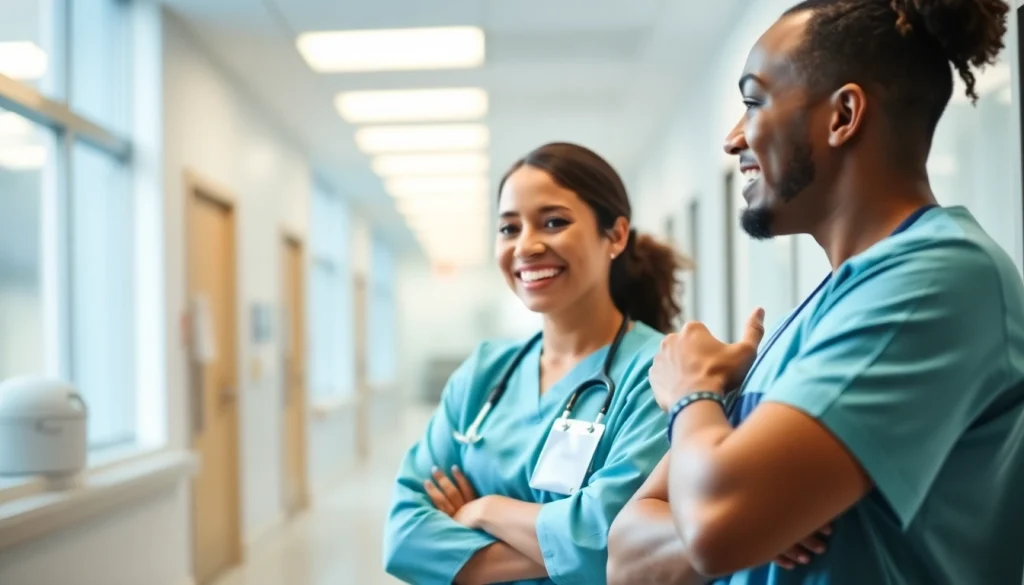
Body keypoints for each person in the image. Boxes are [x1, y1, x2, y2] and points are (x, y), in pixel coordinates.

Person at [607, 1, 1024, 584]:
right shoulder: (827, 309)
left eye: (754, 102)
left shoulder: (938, 278)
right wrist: (749, 507)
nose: (732, 140)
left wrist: (691, 393)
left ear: (843, 115)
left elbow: (715, 525)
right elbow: (626, 556)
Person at [383, 142, 689, 585]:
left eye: (554, 222)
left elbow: (617, 540)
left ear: (617, 236)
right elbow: (403, 536)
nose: (527, 245)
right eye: (509, 229)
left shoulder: (660, 374)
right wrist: (568, 548)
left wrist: (482, 510)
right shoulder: (484, 373)